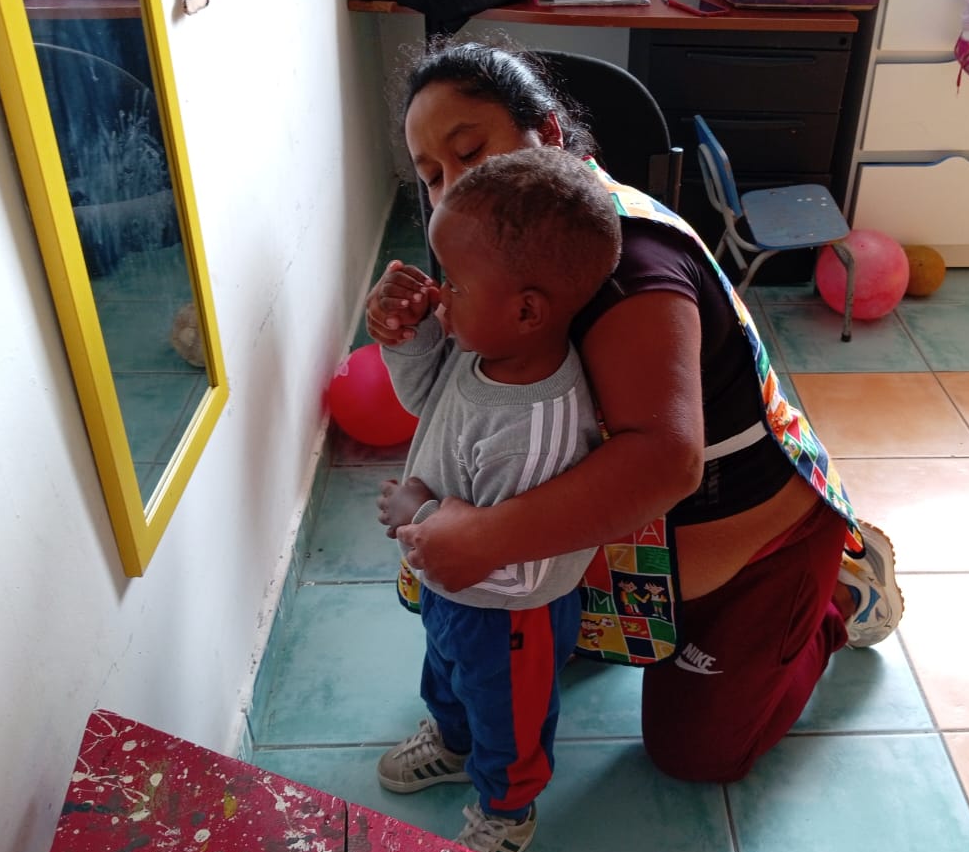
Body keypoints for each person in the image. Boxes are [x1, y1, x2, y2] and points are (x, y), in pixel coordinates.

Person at [365, 40, 903, 788]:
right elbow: (461, 407)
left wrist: (484, 537)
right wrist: (410, 334)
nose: (454, 187)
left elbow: (663, 462)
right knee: (522, 640)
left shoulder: (633, 269)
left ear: (548, 135)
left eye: (471, 152)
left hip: (748, 552)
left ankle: (835, 595)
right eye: (431, 176)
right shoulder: (497, 254)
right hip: (631, 549)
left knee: (698, 756)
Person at [373, 146, 622, 852]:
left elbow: (520, 570)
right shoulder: (487, 351)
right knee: (447, 677)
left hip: (512, 616)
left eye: (453, 284)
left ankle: (507, 812)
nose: (439, 293)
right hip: (454, 590)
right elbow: (421, 398)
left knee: (508, 721)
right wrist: (412, 334)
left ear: (526, 309)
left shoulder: (535, 430)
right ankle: (452, 743)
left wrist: (421, 517)